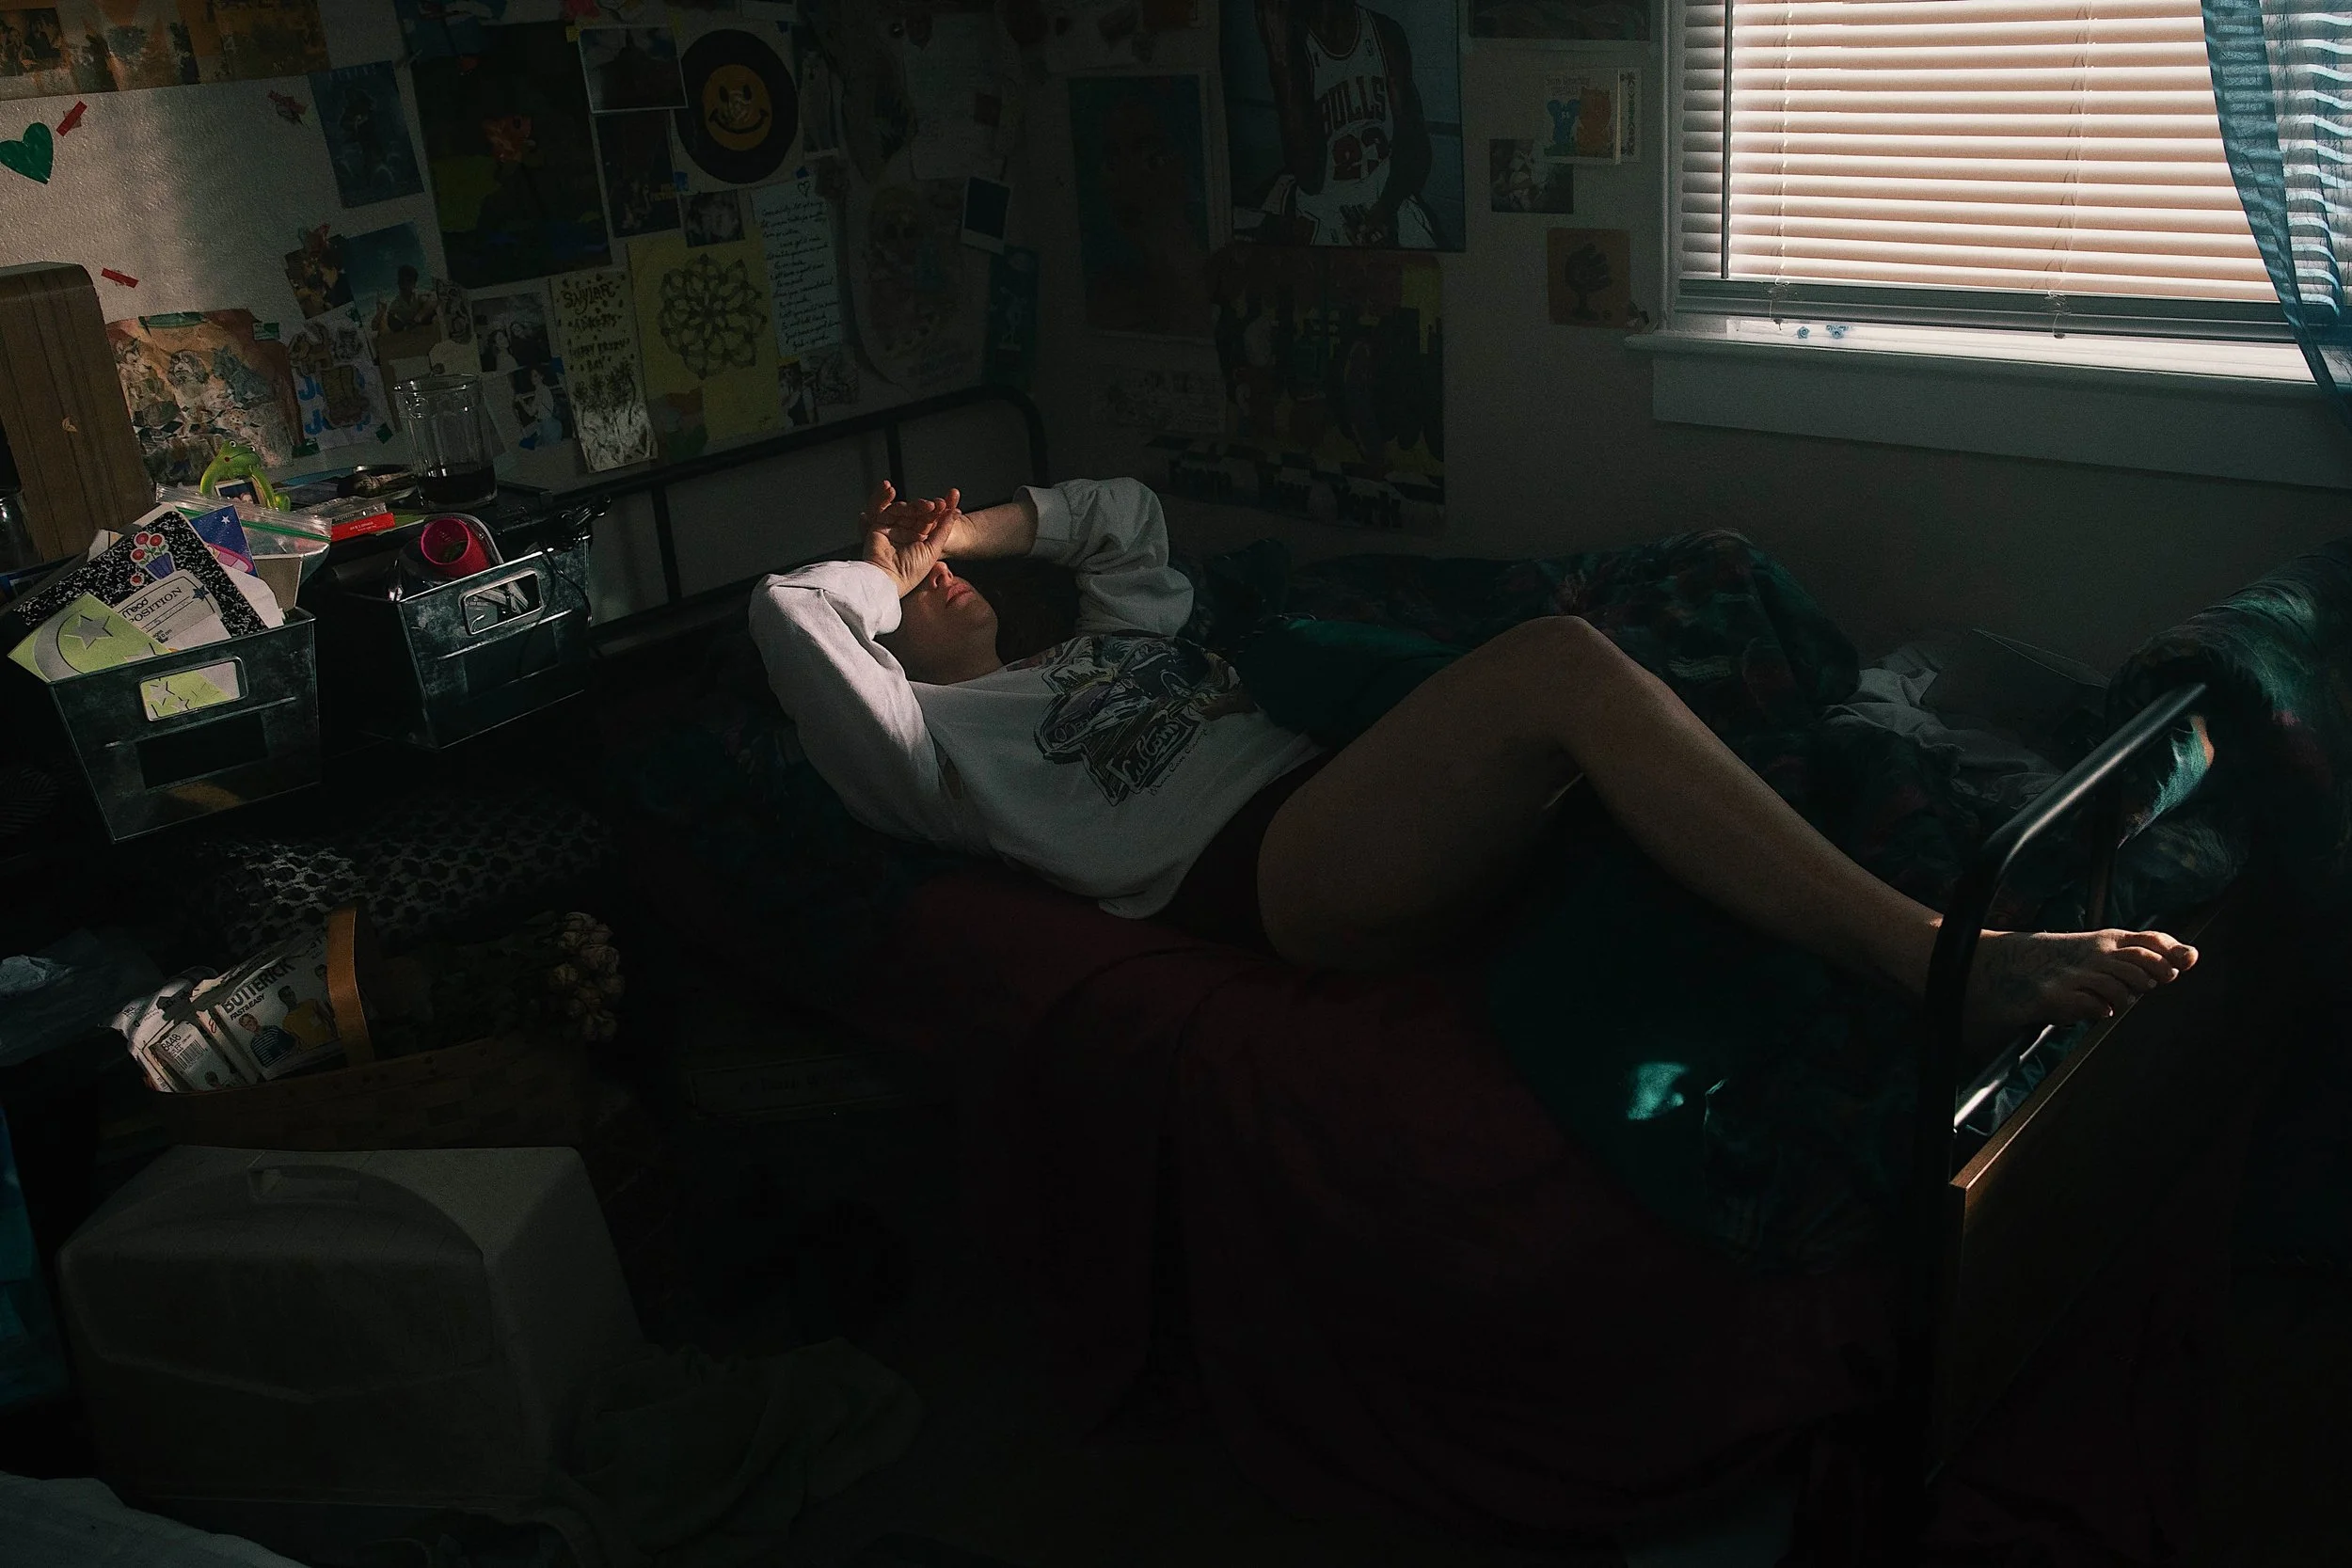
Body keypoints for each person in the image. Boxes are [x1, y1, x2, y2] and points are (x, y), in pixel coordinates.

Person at [751, 479, 2199, 1048]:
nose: (936, 575)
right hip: (1274, 866)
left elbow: (1121, 515)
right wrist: (884, 569)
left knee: (1633, 665)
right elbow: (789, 613)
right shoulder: (931, 750)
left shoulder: (1093, 643)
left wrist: (972, 529)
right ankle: (1939, 957)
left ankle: (1872, 904)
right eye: (914, 587)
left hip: (1354, 785)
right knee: (1561, 665)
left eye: (939, 563)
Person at [1249, 0, 1437, 247]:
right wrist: (1280, 60)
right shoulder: (1291, 43)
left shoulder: (1384, 33)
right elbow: (1309, 179)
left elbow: (1414, 147)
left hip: (1386, 193)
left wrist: (1385, 209)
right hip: (1322, 206)